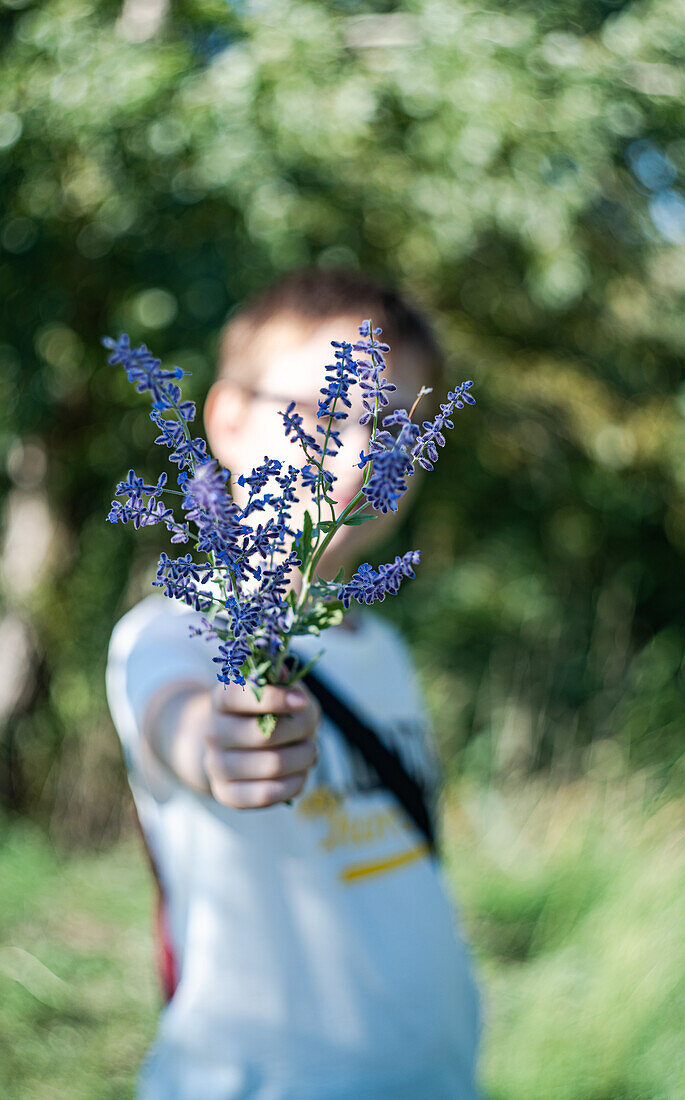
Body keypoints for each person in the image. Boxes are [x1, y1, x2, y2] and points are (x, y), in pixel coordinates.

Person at [106, 268, 484, 1099]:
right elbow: (186, 726)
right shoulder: (171, 635)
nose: (353, 453)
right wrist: (223, 739)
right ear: (228, 420)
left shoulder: (382, 649)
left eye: (390, 431)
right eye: (321, 413)